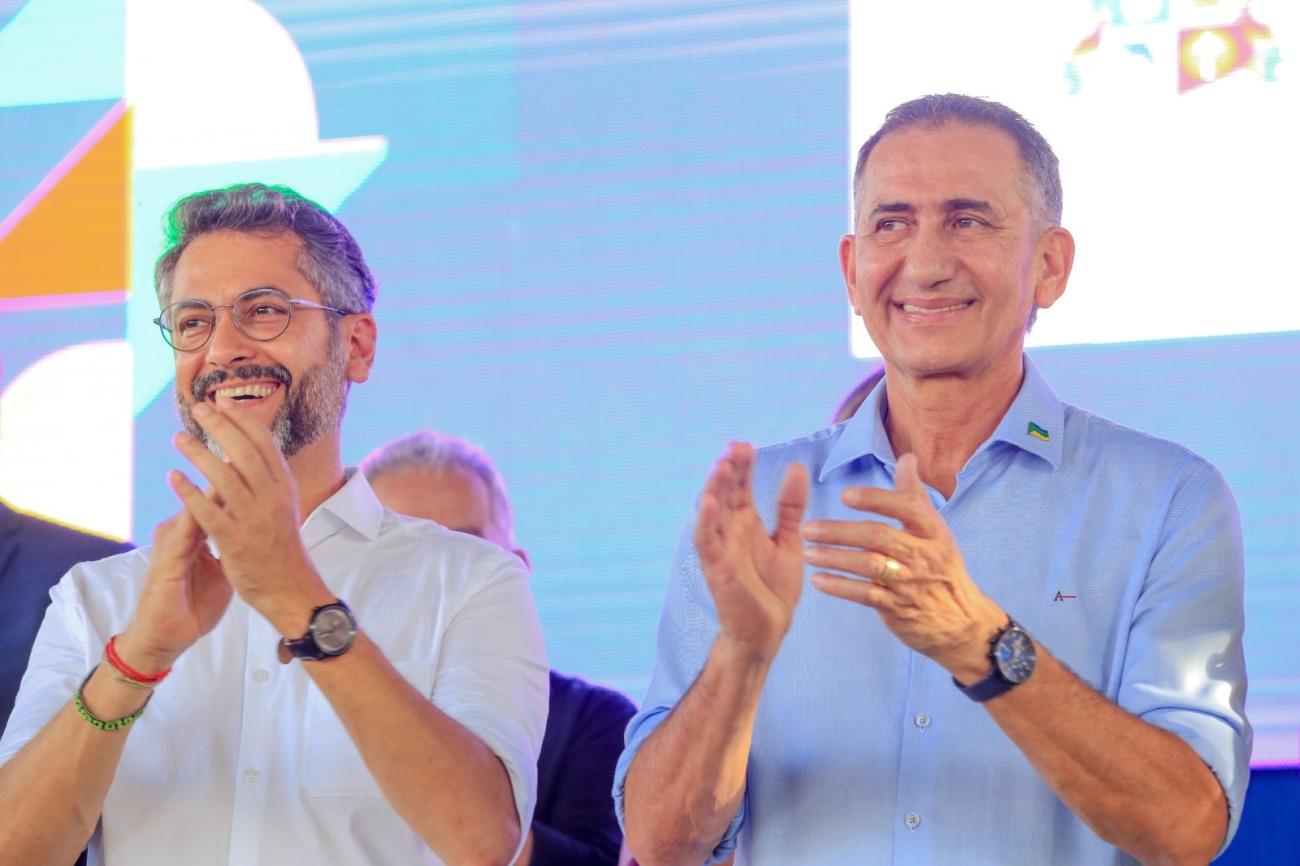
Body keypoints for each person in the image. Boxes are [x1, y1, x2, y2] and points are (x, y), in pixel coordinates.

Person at [616, 94, 1250, 866]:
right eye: (891, 224)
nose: (923, 264)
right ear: (852, 273)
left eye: (968, 221)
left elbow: (1186, 829)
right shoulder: (758, 504)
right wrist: (740, 659)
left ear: (1050, 265)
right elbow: (660, 843)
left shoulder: (1166, 501)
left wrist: (982, 643)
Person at [0, 183, 548, 866]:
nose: (222, 350)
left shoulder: (471, 580)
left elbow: (484, 842)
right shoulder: (96, 598)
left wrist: (299, 600)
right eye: (193, 322)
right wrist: (135, 659)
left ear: (356, 346)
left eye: (263, 311)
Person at [361, 430, 638, 866]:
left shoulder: (594, 721)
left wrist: (475, 818)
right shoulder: (302, 709)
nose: (436, 575)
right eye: (403, 549)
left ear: (517, 570)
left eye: (466, 548)